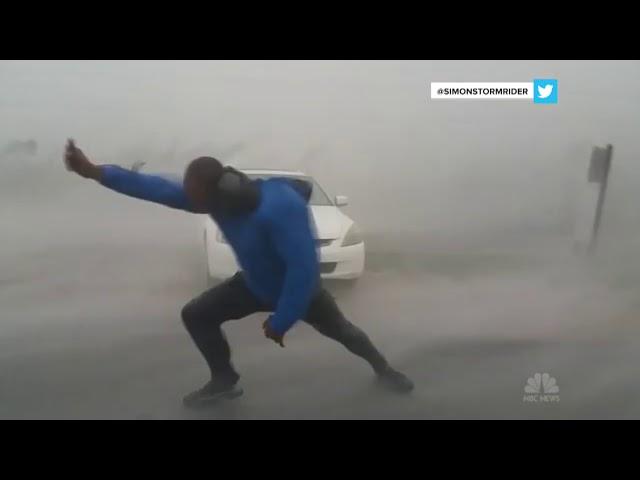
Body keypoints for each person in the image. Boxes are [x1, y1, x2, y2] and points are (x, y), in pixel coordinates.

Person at [63, 139, 414, 408]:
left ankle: (384, 369)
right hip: (253, 284)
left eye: (193, 195)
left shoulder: (277, 207)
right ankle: (224, 379)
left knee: (344, 332)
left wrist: (282, 319)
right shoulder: (212, 198)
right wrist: (95, 171)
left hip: (300, 291)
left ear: (216, 189)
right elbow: (155, 188)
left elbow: (302, 269)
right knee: (196, 314)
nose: (188, 201)